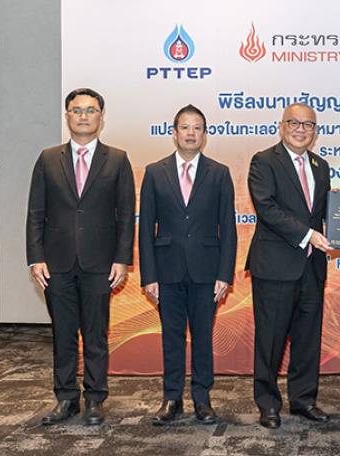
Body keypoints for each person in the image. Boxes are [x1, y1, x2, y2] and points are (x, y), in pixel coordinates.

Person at [26, 88, 135, 426]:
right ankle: (66, 398)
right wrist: (35, 257)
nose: (83, 116)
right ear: (67, 116)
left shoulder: (117, 159)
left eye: (90, 110)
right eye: (77, 110)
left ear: (101, 116)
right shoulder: (48, 159)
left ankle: (95, 399)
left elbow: (125, 214)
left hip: (100, 263)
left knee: (95, 333)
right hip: (55, 263)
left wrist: (122, 259)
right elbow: (35, 212)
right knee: (63, 333)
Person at [139, 104, 237, 425]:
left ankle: (202, 399)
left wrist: (224, 274)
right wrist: (148, 276)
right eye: (185, 127)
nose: (191, 133)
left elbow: (228, 228)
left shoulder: (219, 173)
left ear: (204, 135)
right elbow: (146, 228)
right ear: (174, 133)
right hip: (166, 271)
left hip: (207, 271)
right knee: (171, 337)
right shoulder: (155, 172)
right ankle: (171, 398)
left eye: (197, 128)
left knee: (203, 337)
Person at [246, 103, 332, 429]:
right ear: (281, 126)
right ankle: (268, 404)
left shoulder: (321, 166)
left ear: (315, 131)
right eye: (294, 123)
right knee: (270, 339)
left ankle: (304, 399)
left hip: (312, 267)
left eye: (308, 125)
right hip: (275, 265)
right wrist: (308, 235)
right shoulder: (264, 161)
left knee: (308, 338)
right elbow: (266, 208)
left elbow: (323, 211)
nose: (300, 129)